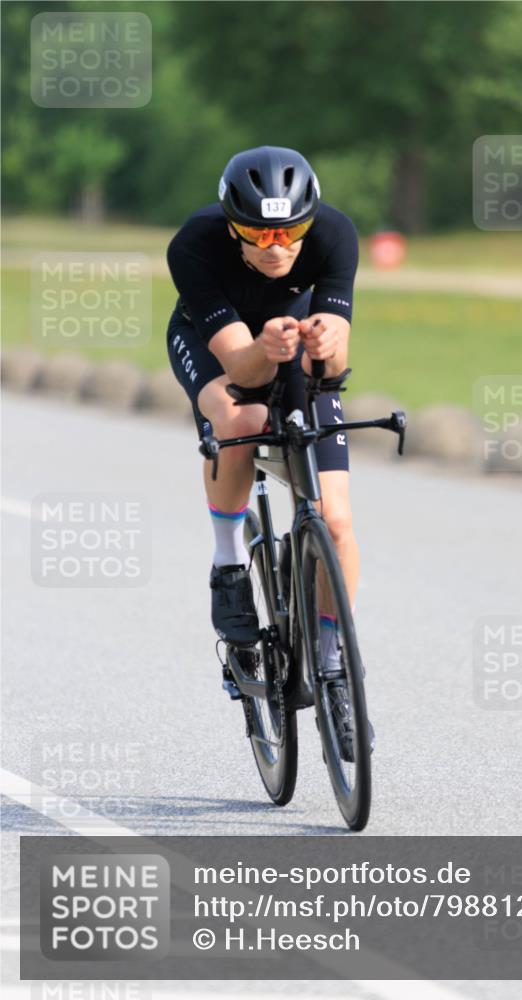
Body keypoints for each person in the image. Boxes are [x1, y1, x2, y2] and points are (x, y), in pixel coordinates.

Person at [166, 145, 370, 758]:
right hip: (217, 343)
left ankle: (333, 665)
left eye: (290, 232)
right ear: (233, 226)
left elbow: (334, 363)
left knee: (335, 522)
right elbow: (240, 365)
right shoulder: (195, 245)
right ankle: (229, 564)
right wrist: (267, 348)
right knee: (245, 416)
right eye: (257, 232)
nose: (276, 246)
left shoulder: (335, 235)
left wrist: (327, 343)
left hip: (294, 342)